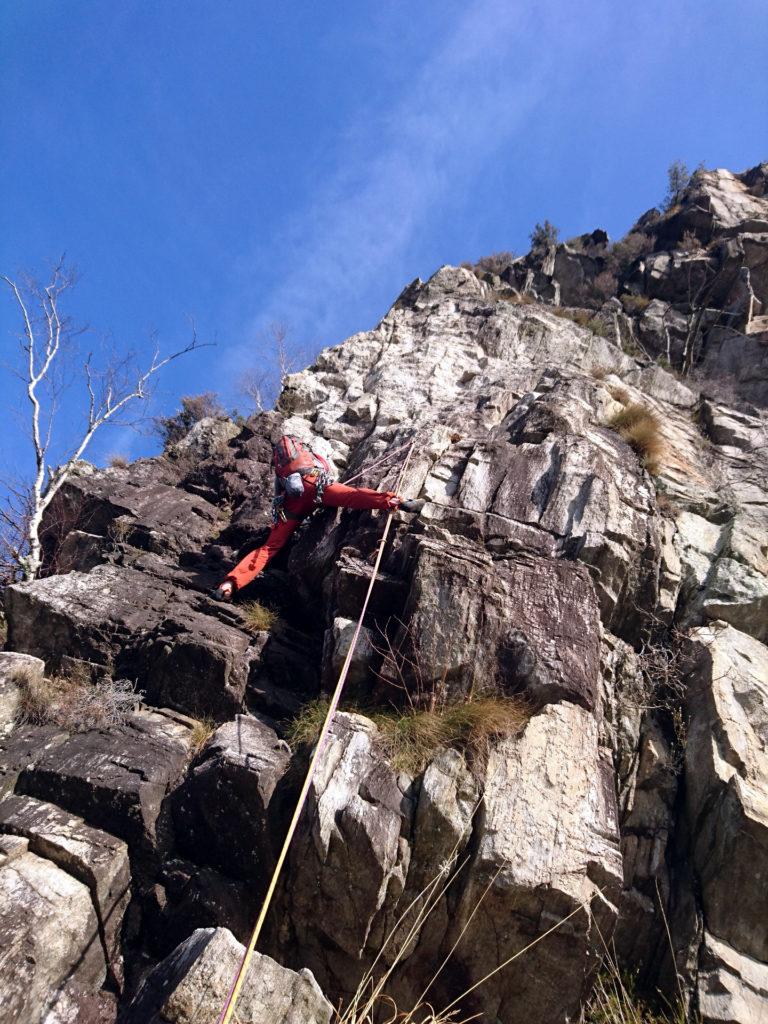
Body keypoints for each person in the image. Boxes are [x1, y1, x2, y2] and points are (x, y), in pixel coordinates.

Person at [212, 434, 423, 601]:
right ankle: (396, 502)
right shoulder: (309, 455)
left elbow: (279, 495)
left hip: (291, 505)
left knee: (269, 548)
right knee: (352, 496)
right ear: (300, 446)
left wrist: (280, 517)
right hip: (315, 486)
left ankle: (229, 584)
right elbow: (325, 472)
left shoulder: (281, 471)